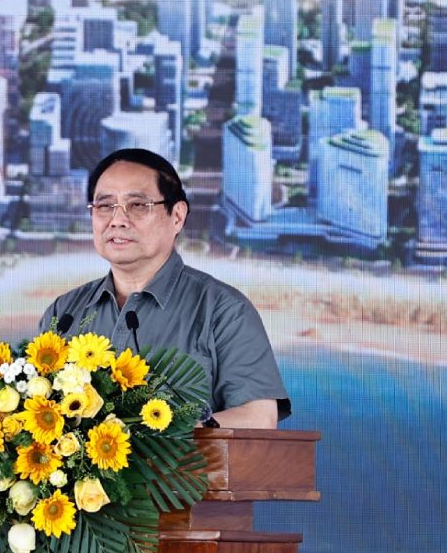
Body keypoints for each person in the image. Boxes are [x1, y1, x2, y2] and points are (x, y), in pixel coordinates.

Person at [38, 148, 290, 428]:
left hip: (188, 471)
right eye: (105, 206)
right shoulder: (64, 312)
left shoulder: (224, 310)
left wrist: (165, 438)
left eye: (137, 205)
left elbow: (259, 417)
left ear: (177, 216)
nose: (117, 220)